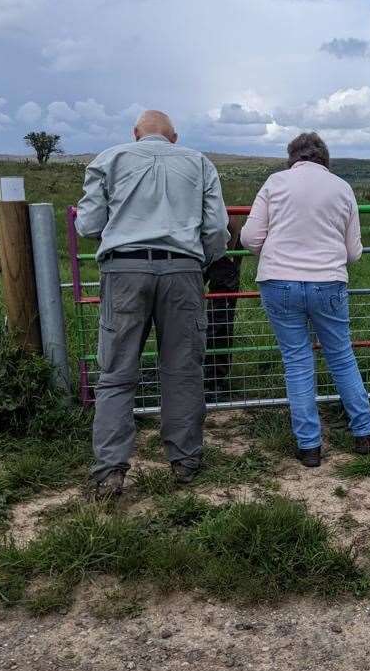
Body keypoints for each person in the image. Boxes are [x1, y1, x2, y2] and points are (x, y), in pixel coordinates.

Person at [75, 110, 229, 498]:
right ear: (173, 137)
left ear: (135, 134)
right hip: (183, 271)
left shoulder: (109, 160)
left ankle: (110, 471)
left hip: (123, 272)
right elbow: (215, 228)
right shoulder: (199, 162)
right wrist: (199, 261)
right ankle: (185, 460)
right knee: (183, 369)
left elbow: (89, 224)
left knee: (116, 372)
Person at [241, 132, 370, 467]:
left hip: (279, 281)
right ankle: (364, 431)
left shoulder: (275, 183)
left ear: (293, 158)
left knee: (297, 362)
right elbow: (353, 252)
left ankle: (309, 447)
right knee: (341, 357)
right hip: (328, 282)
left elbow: (249, 238)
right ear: (324, 158)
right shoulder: (342, 187)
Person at [203, 216, 242, 402]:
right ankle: (214, 381)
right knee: (221, 319)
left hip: (193, 249)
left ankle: (212, 380)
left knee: (220, 318)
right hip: (217, 247)